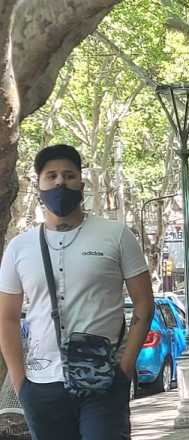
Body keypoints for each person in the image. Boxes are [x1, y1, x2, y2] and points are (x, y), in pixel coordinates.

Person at [0, 144, 154, 439]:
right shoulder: (19, 248)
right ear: (39, 185)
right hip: (41, 386)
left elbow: (144, 305)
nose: (60, 183)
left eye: (69, 175)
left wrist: (124, 368)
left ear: (82, 184)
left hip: (103, 380)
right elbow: (6, 317)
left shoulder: (116, 235)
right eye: (52, 176)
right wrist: (21, 383)